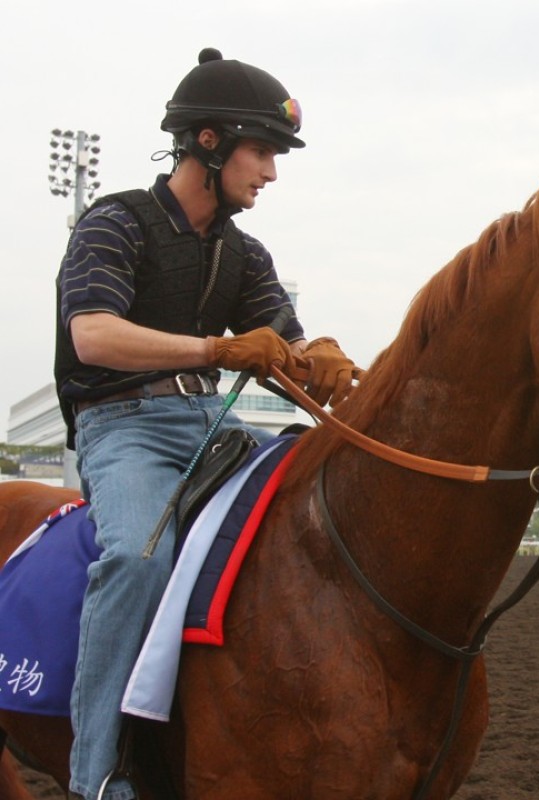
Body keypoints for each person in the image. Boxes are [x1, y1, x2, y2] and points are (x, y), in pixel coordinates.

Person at [54, 48, 357, 800]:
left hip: (210, 429)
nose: (272, 173)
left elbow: (284, 349)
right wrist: (217, 349)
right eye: (263, 152)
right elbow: (92, 335)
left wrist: (323, 359)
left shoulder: (244, 254)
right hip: (121, 428)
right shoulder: (113, 221)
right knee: (135, 559)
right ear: (210, 142)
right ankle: (94, 776)